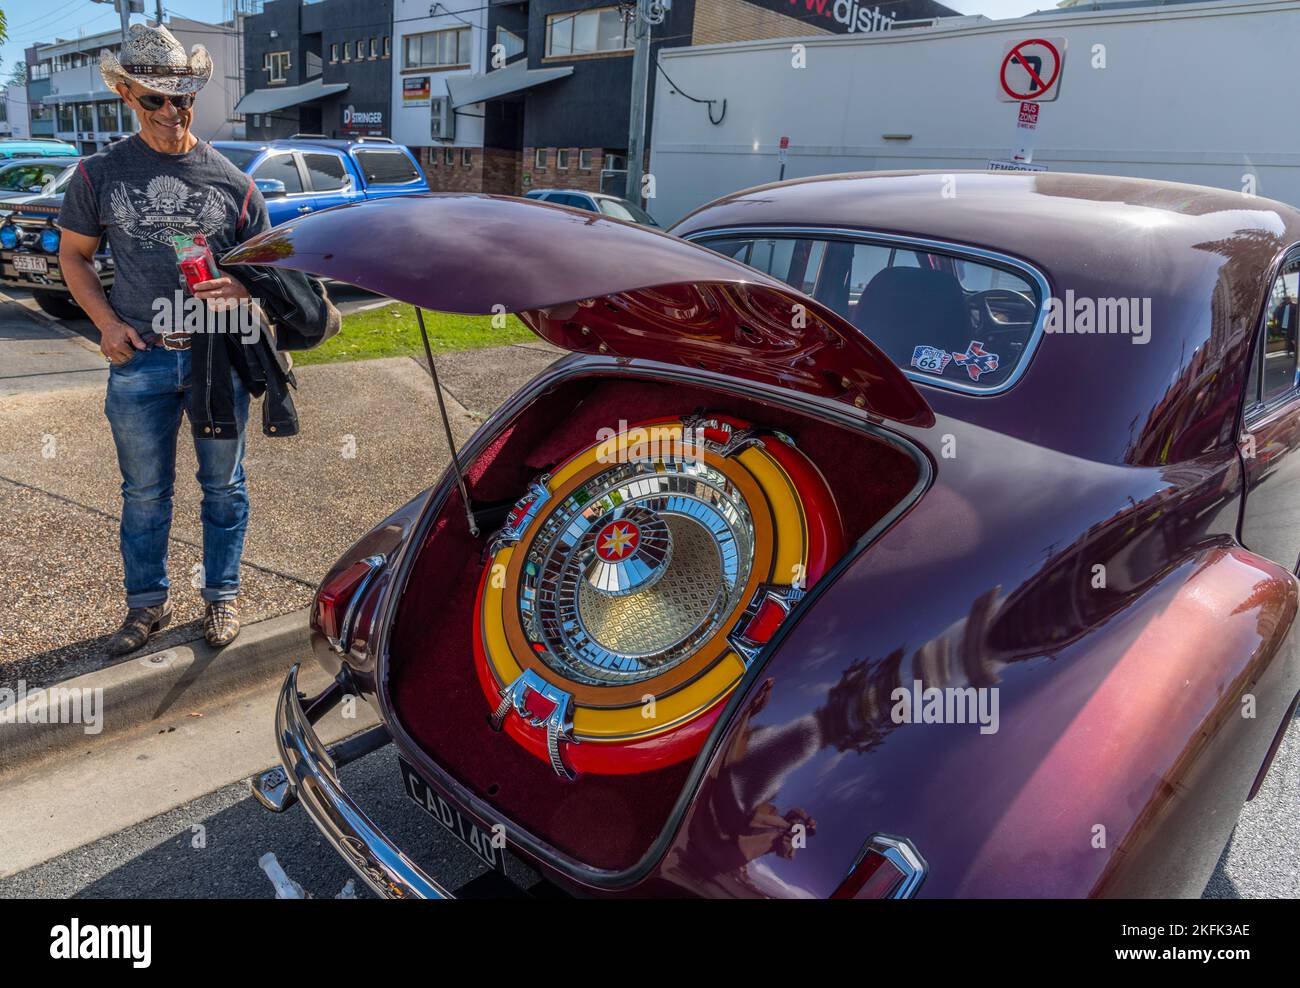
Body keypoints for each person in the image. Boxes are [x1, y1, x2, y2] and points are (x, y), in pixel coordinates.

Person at [58, 22, 271, 655]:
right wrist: (106, 324)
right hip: (141, 361)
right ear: (127, 94)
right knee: (145, 493)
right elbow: (74, 258)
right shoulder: (99, 174)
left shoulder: (235, 180)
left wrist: (243, 292)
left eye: (182, 98)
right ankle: (145, 606)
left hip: (217, 361)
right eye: (155, 98)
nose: (171, 112)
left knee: (224, 489)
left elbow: (271, 275)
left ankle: (221, 598)